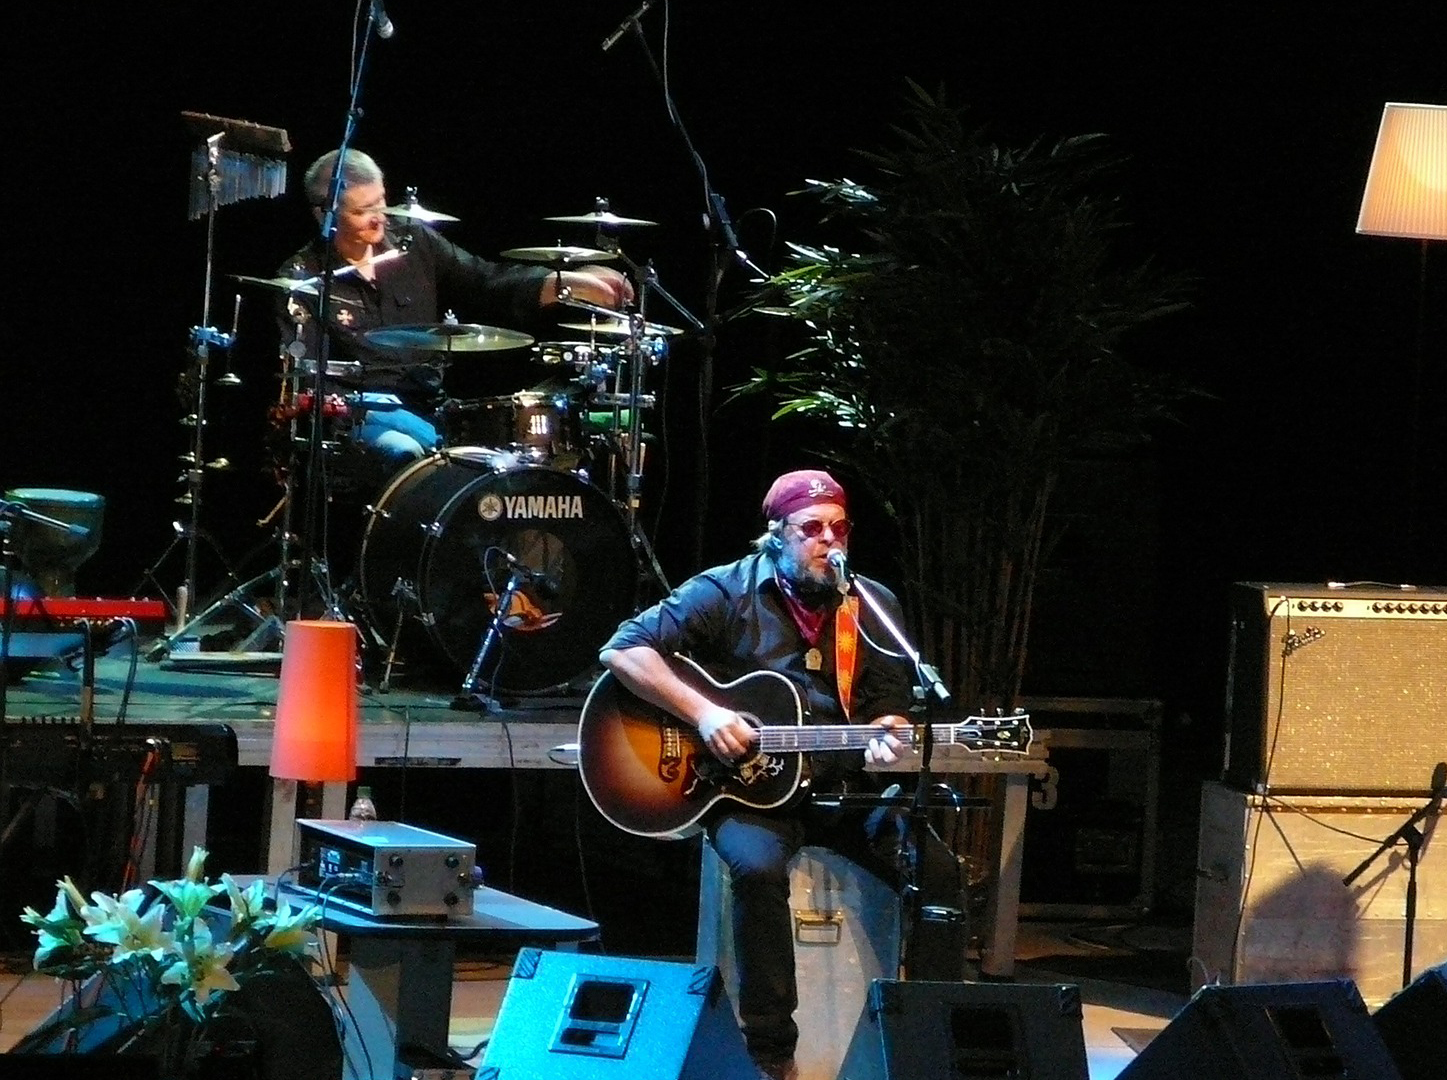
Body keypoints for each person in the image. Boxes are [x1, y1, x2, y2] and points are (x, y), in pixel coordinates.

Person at [598, 469, 968, 1080]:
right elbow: (623, 649)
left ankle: (931, 1046)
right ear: (776, 534)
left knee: (939, 872)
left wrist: (890, 735)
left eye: (839, 529)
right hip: (749, 791)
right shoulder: (725, 591)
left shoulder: (871, 605)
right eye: (812, 529)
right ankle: (770, 1052)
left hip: (843, 788)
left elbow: (889, 707)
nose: (829, 542)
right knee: (757, 868)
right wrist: (706, 713)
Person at [276, 148, 633, 469]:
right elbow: (306, 382)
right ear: (325, 215)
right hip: (357, 420)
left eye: (381, 203)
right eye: (361, 211)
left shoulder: (415, 244)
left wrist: (563, 283)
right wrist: (362, 410)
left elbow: (485, 281)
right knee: (405, 451)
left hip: (429, 407)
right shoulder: (301, 279)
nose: (378, 218)